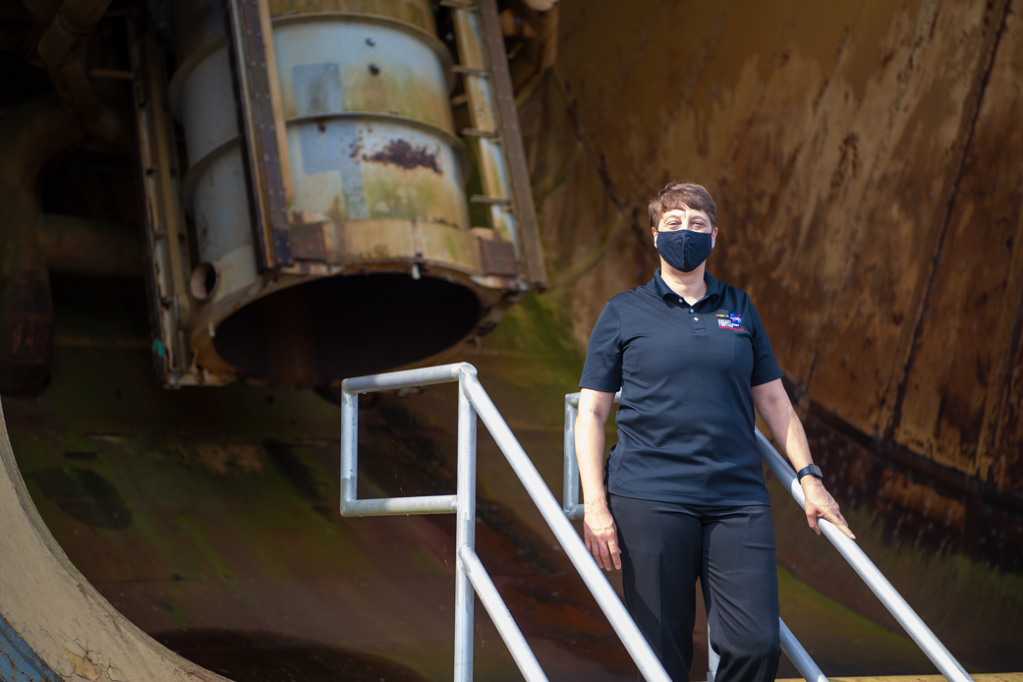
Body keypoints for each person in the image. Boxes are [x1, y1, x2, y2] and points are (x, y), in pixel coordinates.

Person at [575, 182, 855, 682]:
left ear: (715, 236)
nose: (686, 234)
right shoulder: (623, 312)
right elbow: (593, 413)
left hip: (736, 497)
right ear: (656, 233)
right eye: (675, 224)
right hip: (649, 496)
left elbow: (773, 400)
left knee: (756, 644)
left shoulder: (740, 307)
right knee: (660, 654)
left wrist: (809, 477)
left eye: (698, 224)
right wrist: (595, 504)